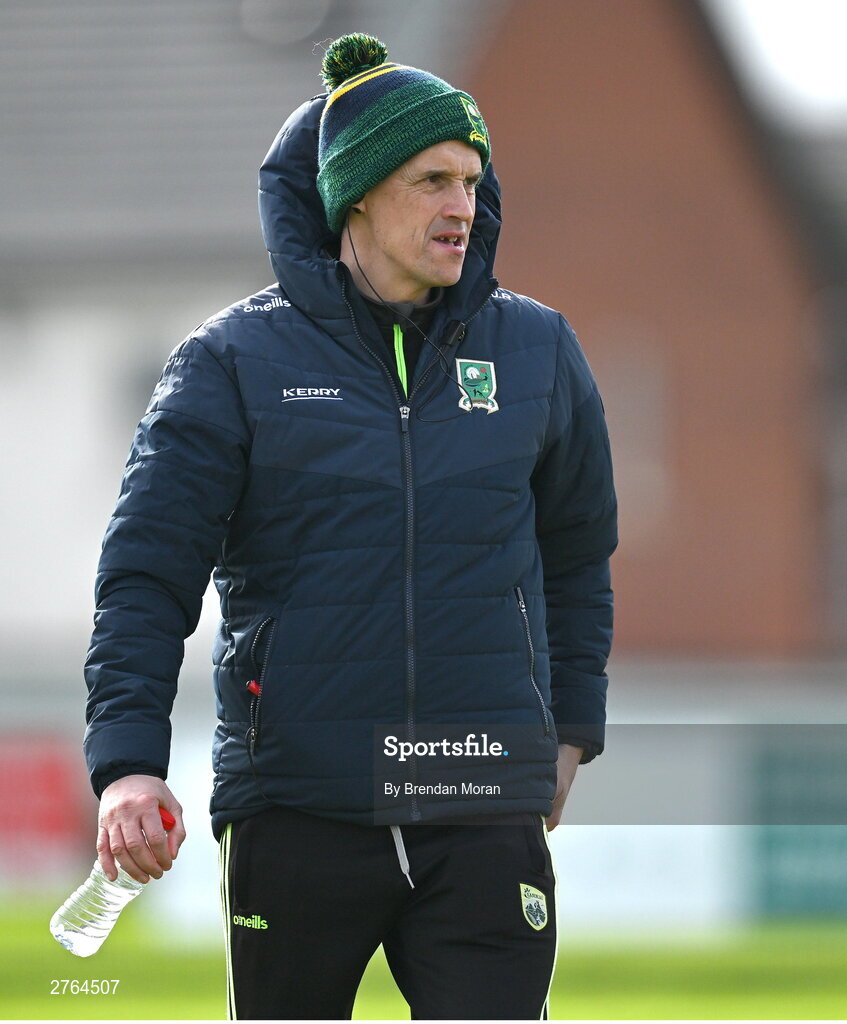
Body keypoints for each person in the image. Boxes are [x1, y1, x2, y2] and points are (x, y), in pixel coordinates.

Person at [84, 32, 617, 1020]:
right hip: (299, 811)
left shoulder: (538, 350)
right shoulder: (231, 363)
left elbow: (578, 555)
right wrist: (126, 765)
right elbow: (145, 579)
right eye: (432, 180)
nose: (463, 204)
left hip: (482, 804)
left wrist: (570, 734)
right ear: (358, 195)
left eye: (472, 178)